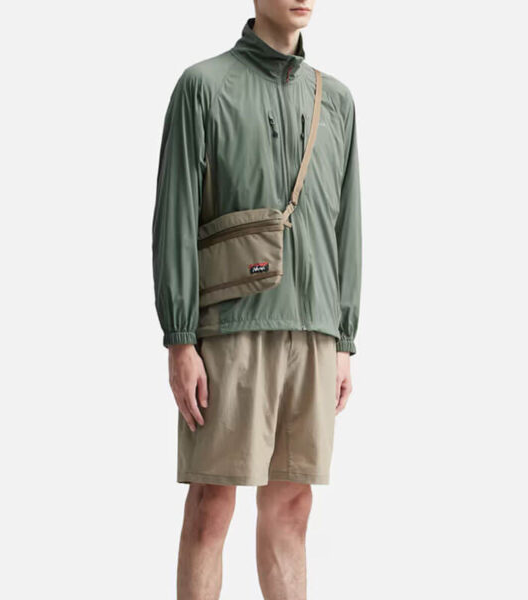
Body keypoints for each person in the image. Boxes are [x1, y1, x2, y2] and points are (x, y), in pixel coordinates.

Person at [152, 2, 362, 598]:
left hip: (314, 329)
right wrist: (180, 338)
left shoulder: (336, 99)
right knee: (212, 502)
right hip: (229, 329)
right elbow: (174, 216)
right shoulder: (202, 86)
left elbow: (347, 224)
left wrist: (343, 339)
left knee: (292, 506)